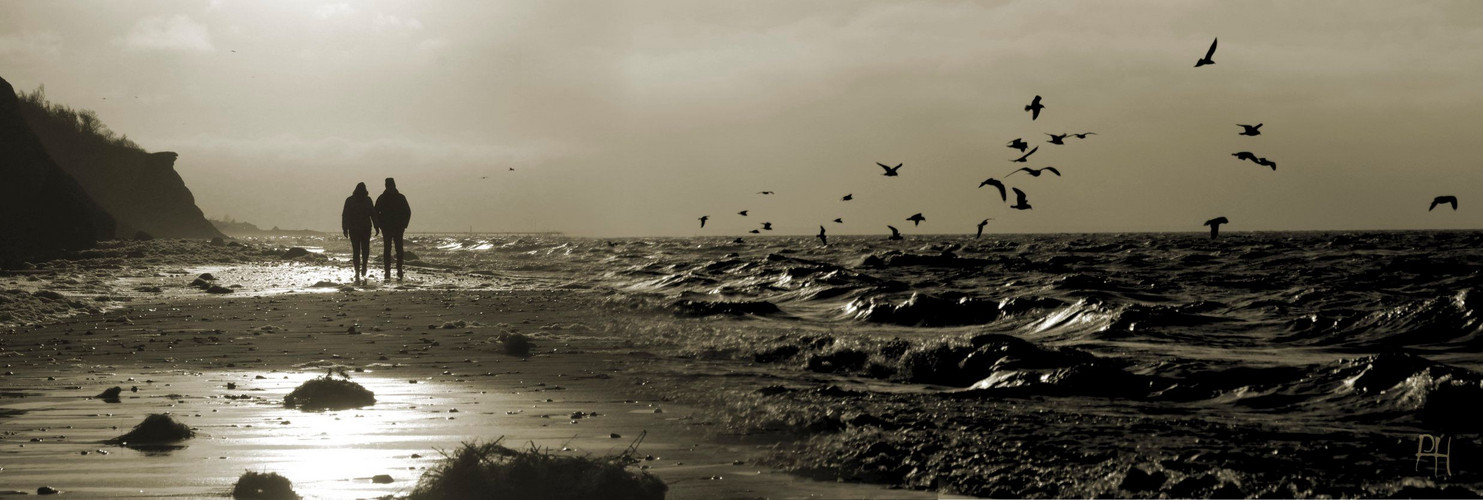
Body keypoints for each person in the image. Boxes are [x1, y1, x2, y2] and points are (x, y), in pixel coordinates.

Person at [375, 177, 412, 281]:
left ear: (394, 185)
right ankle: (387, 271)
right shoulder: (382, 198)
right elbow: (376, 212)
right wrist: (379, 225)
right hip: (386, 228)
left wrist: (404, 225)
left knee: (398, 249)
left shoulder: (400, 198)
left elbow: (407, 212)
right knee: (388, 250)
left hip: (398, 228)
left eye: (390, 185)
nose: (390, 187)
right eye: (388, 185)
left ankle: (399, 269)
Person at [341, 182, 379, 282]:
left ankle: (358, 271)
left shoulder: (350, 200)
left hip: (355, 229)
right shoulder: (367, 200)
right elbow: (373, 214)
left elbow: (345, 215)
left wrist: (345, 228)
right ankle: (363, 266)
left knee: (356, 251)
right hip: (364, 228)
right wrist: (376, 226)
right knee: (365, 249)